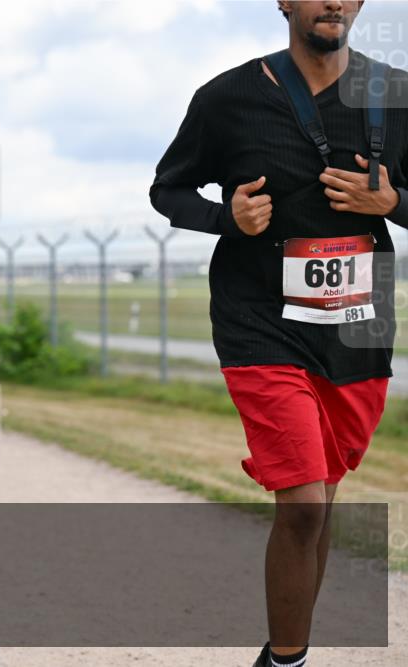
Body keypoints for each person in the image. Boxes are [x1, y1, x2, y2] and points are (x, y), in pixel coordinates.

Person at [150, 2, 408, 666]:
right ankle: (286, 661)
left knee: (321, 496)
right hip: (258, 319)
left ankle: (290, 648)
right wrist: (225, 215)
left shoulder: (396, 94)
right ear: (284, 2)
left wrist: (393, 204)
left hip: (357, 326)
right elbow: (168, 189)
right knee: (302, 504)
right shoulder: (227, 98)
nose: (332, 1)